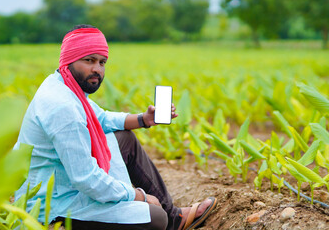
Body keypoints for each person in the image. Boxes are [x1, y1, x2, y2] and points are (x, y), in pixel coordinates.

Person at [14, 24, 217, 230]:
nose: (97, 69)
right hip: (52, 206)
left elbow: (100, 118)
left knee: (124, 138)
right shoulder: (62, 107)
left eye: (102, 62)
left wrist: (143, 119)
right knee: (155, 218)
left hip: (66, 185)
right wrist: (138, 196)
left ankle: (175, 219)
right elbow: (86, 179)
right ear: (69, 59)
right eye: (89, 60)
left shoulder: (63, 84)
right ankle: (168, 219)